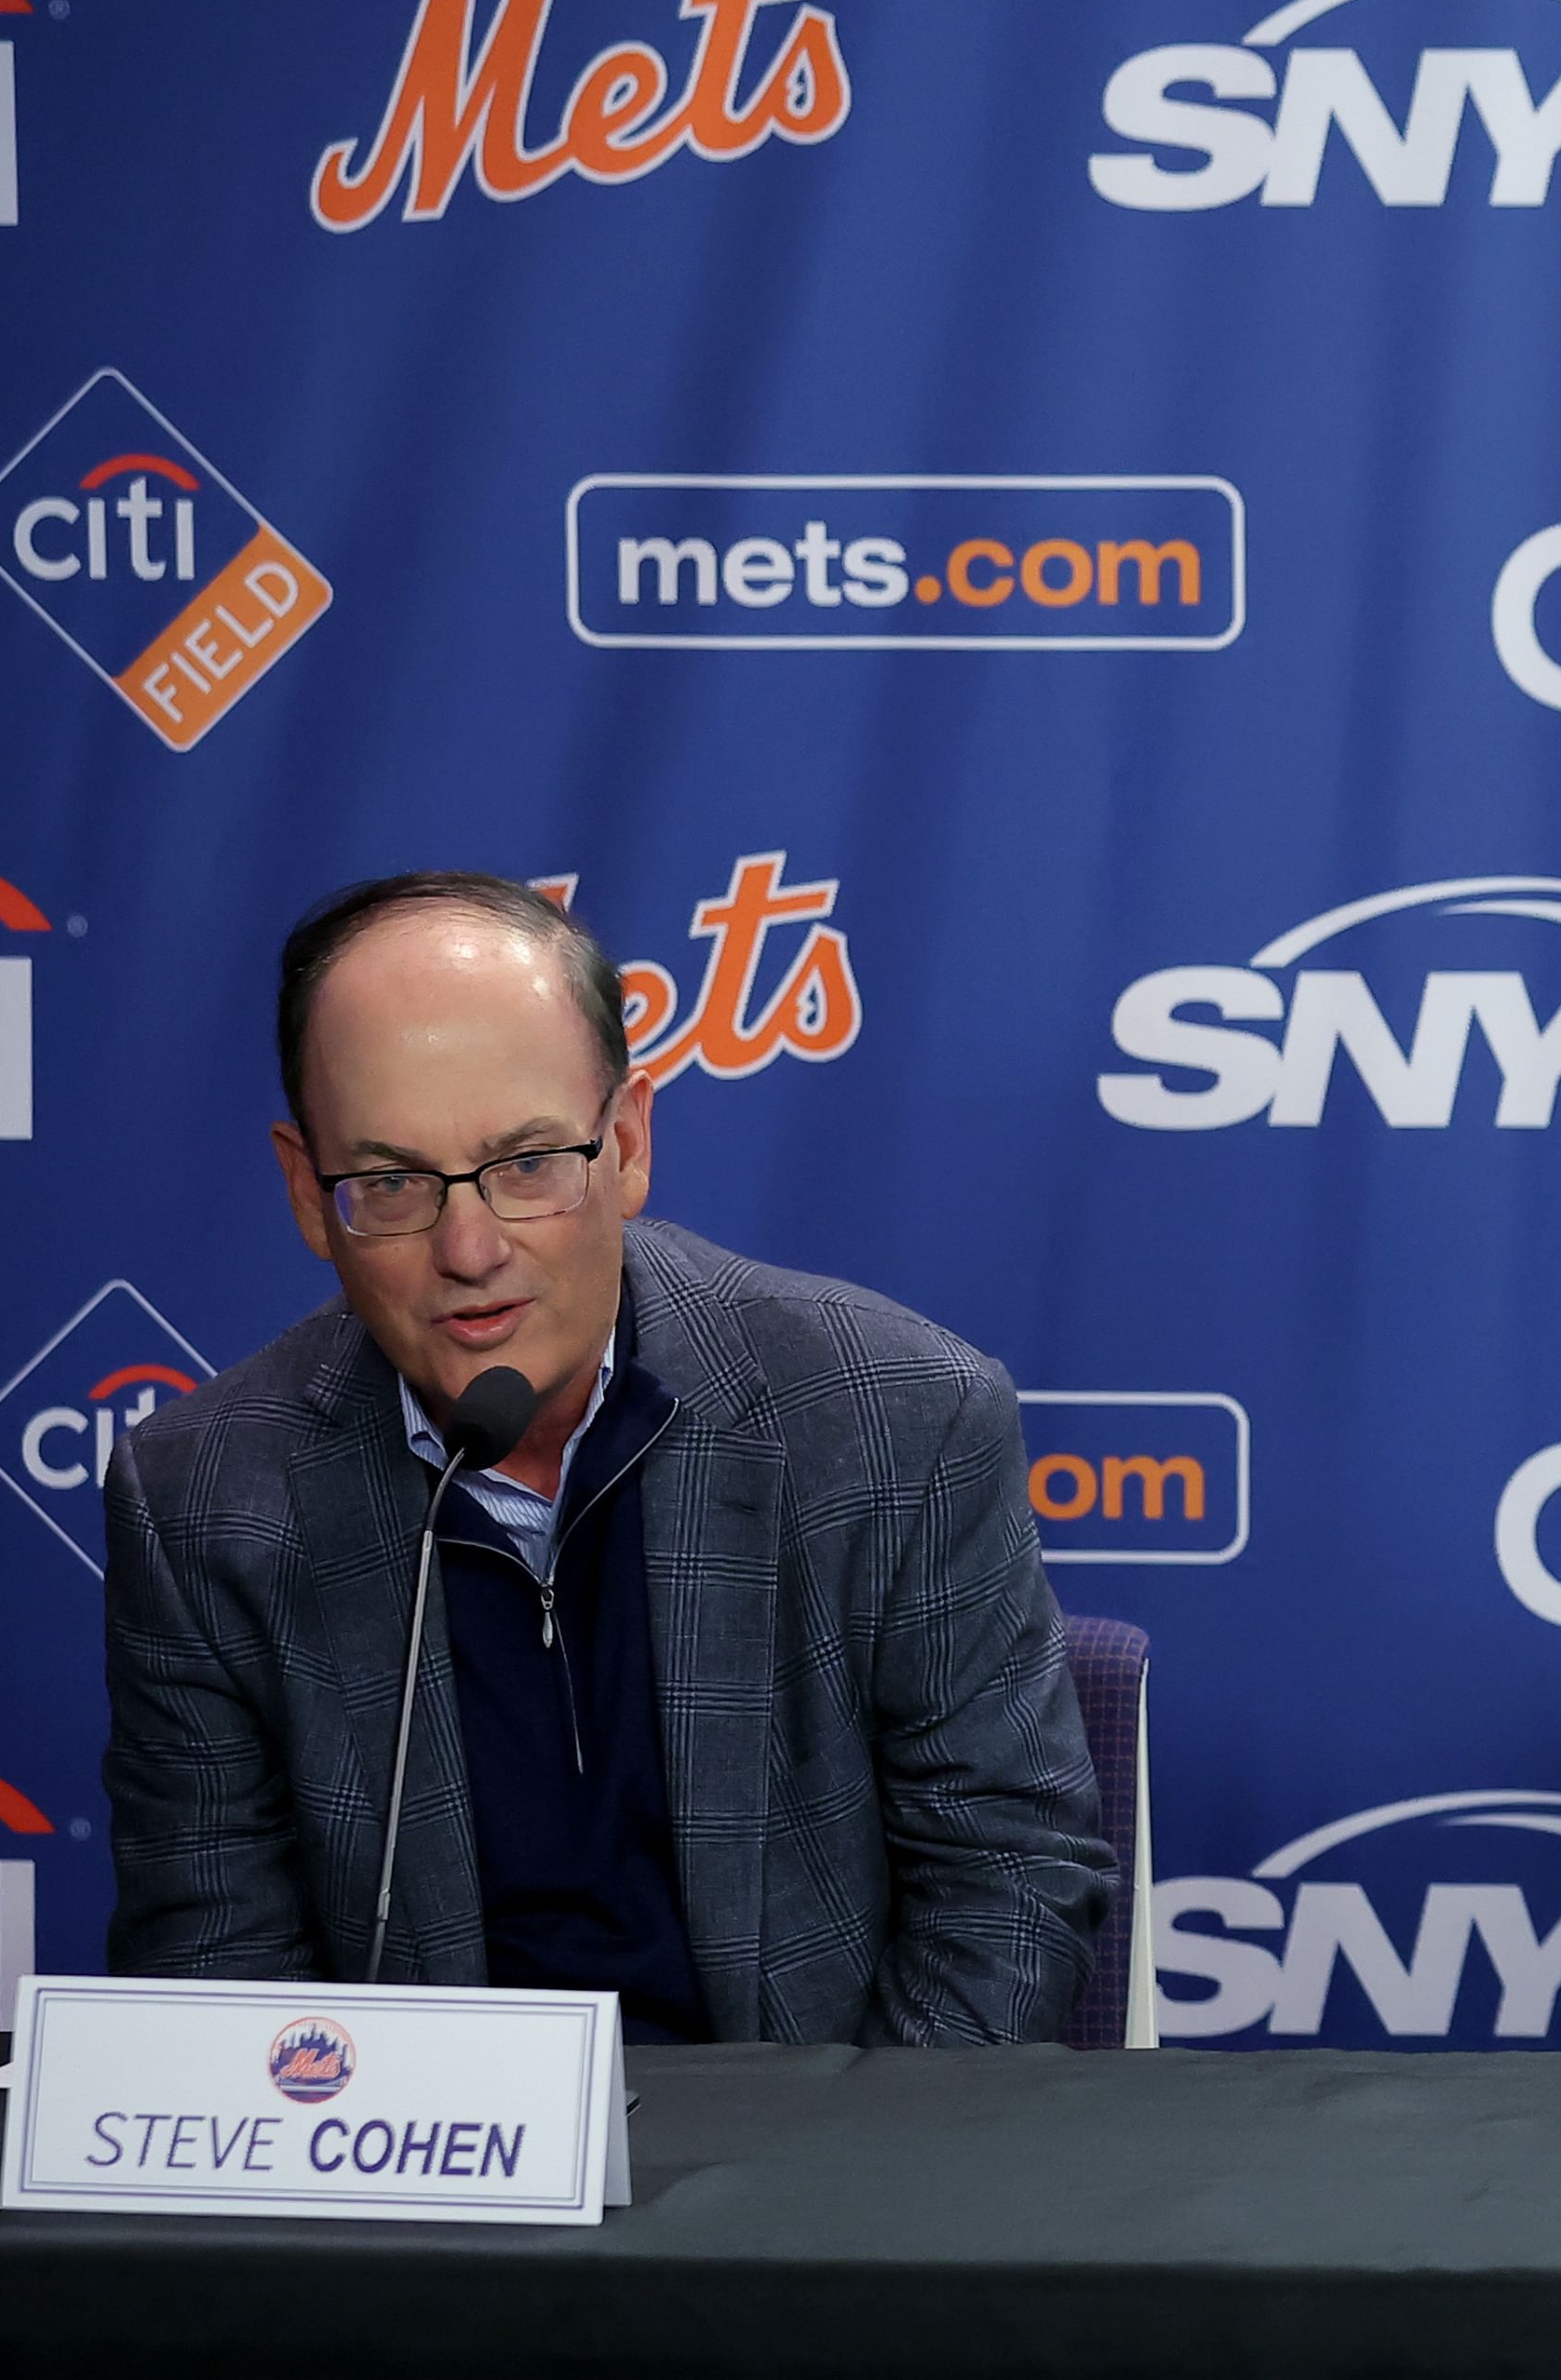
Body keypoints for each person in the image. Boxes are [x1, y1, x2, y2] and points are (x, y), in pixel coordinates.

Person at [102, 870, 1107, 2040]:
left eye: (528, 1163)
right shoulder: (204, 1499)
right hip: (420, 2182)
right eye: (391, 1181)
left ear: (626, 1142)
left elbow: (1010, 1890)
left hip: (806, 2162)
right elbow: (215, 1972)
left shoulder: (896, 1419)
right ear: (307, 1193)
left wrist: (824, 2196)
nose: (469, 1247)